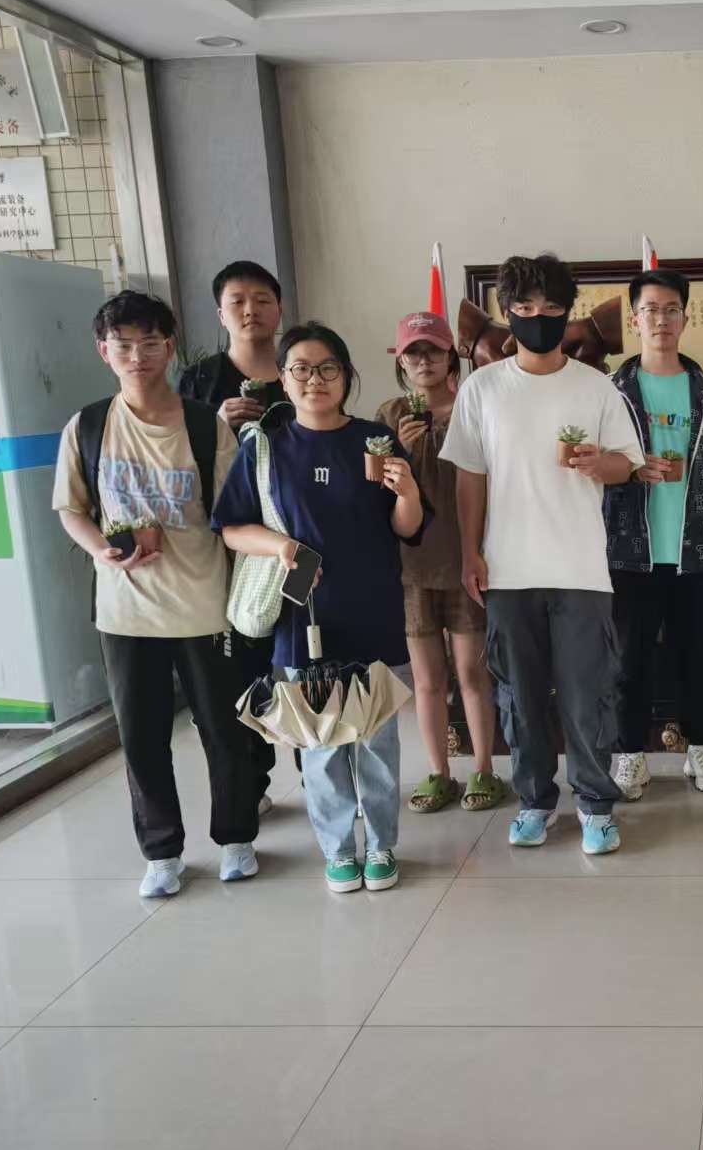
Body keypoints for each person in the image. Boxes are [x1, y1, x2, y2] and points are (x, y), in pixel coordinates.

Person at [51, 290, 258, 899]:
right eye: (122, 345)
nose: (136, 356)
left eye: (149, 343)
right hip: (125, 612)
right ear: (103, 351)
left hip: (204, 605)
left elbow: (235, 511)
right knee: (142, 740)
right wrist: (102, 550)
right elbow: (71, 509)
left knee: (225, 731)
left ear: (169, 348)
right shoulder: (88, 426)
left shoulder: (204, 424)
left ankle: (237, 838)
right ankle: (162, 852)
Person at [439, 253, 644, 855]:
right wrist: (471, 552)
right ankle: (534, 801)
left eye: (552, 307)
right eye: (525, 307)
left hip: (581, 568)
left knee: (587, 695)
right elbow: (470, 477)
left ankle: (596, 804)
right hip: (508, 569)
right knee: (520, 697)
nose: (538, 317)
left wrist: (599, 463)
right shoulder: (482, 387)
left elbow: (626, 465)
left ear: (567, 312)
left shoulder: (596, 385)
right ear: (507, 313)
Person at [211, 321, 426, 894]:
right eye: (301, 369)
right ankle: (338, 850)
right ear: (282, 379)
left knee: (376, 736)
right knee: (321, 739)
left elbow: (408, 529)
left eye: (328, 367)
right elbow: (231, 527)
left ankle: (380, 845)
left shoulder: (376, 440)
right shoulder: (265, 446)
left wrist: (408, 493)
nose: (315, 380)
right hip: (301, 615)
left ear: (347, 376)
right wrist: (280, 546)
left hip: (372, 607)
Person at [604, 268, 703, 799]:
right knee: (630, 661)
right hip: (629, 551)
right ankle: (630, 756)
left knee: (695, 658)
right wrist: (630, 470)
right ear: (634, 319)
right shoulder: (612, 391)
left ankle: (700, 749)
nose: (661, 320)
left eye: (671, 310)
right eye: (650, 310)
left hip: (697, 550)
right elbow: (593, 467)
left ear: (686, 318)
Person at [375, 310, 506, 815]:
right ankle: (438, 771)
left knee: (472, 672)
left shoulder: (474, 406)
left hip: (466, 559)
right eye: (413, 352)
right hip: (410, 568)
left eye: (433, 349)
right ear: (401, 362)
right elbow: (372, 493)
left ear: (451, 355)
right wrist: (401, 453)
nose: (423, 360)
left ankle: (484, 769)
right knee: (427, 679)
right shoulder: (388, 416)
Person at [178, 259, 289, 819]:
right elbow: (176, 459)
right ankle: (252, 777)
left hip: (293, 543)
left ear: (279, 309)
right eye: (238, 301)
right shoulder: (199, 382)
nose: (251, 310)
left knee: (302, 659)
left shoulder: (299, 368)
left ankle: (324, 775)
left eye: (262, 299)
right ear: (221, 314)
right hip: (227, 548)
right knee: (238, 670)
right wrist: (216, 423)